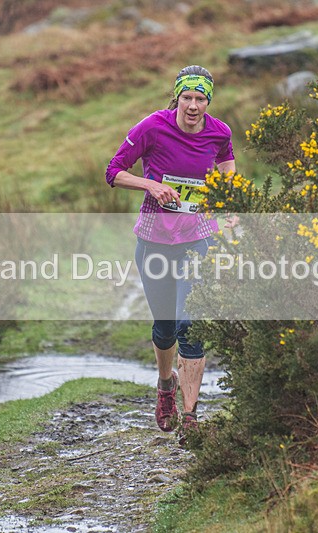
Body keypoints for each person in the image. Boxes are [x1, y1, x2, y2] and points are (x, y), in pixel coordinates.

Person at [105, 65, 236, 444]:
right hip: (155, 241)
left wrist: (225, 194)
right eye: (187, 98)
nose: (193, 106)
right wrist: (152, 185)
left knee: (189, 326)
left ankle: (191, 414)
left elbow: (228, 167)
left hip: (198, 238)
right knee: (165, 329)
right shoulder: (152, 127)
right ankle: (166, 386)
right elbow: (113, 171)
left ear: (208, 100)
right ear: (177, 97)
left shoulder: (220, 131)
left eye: (200, 99)